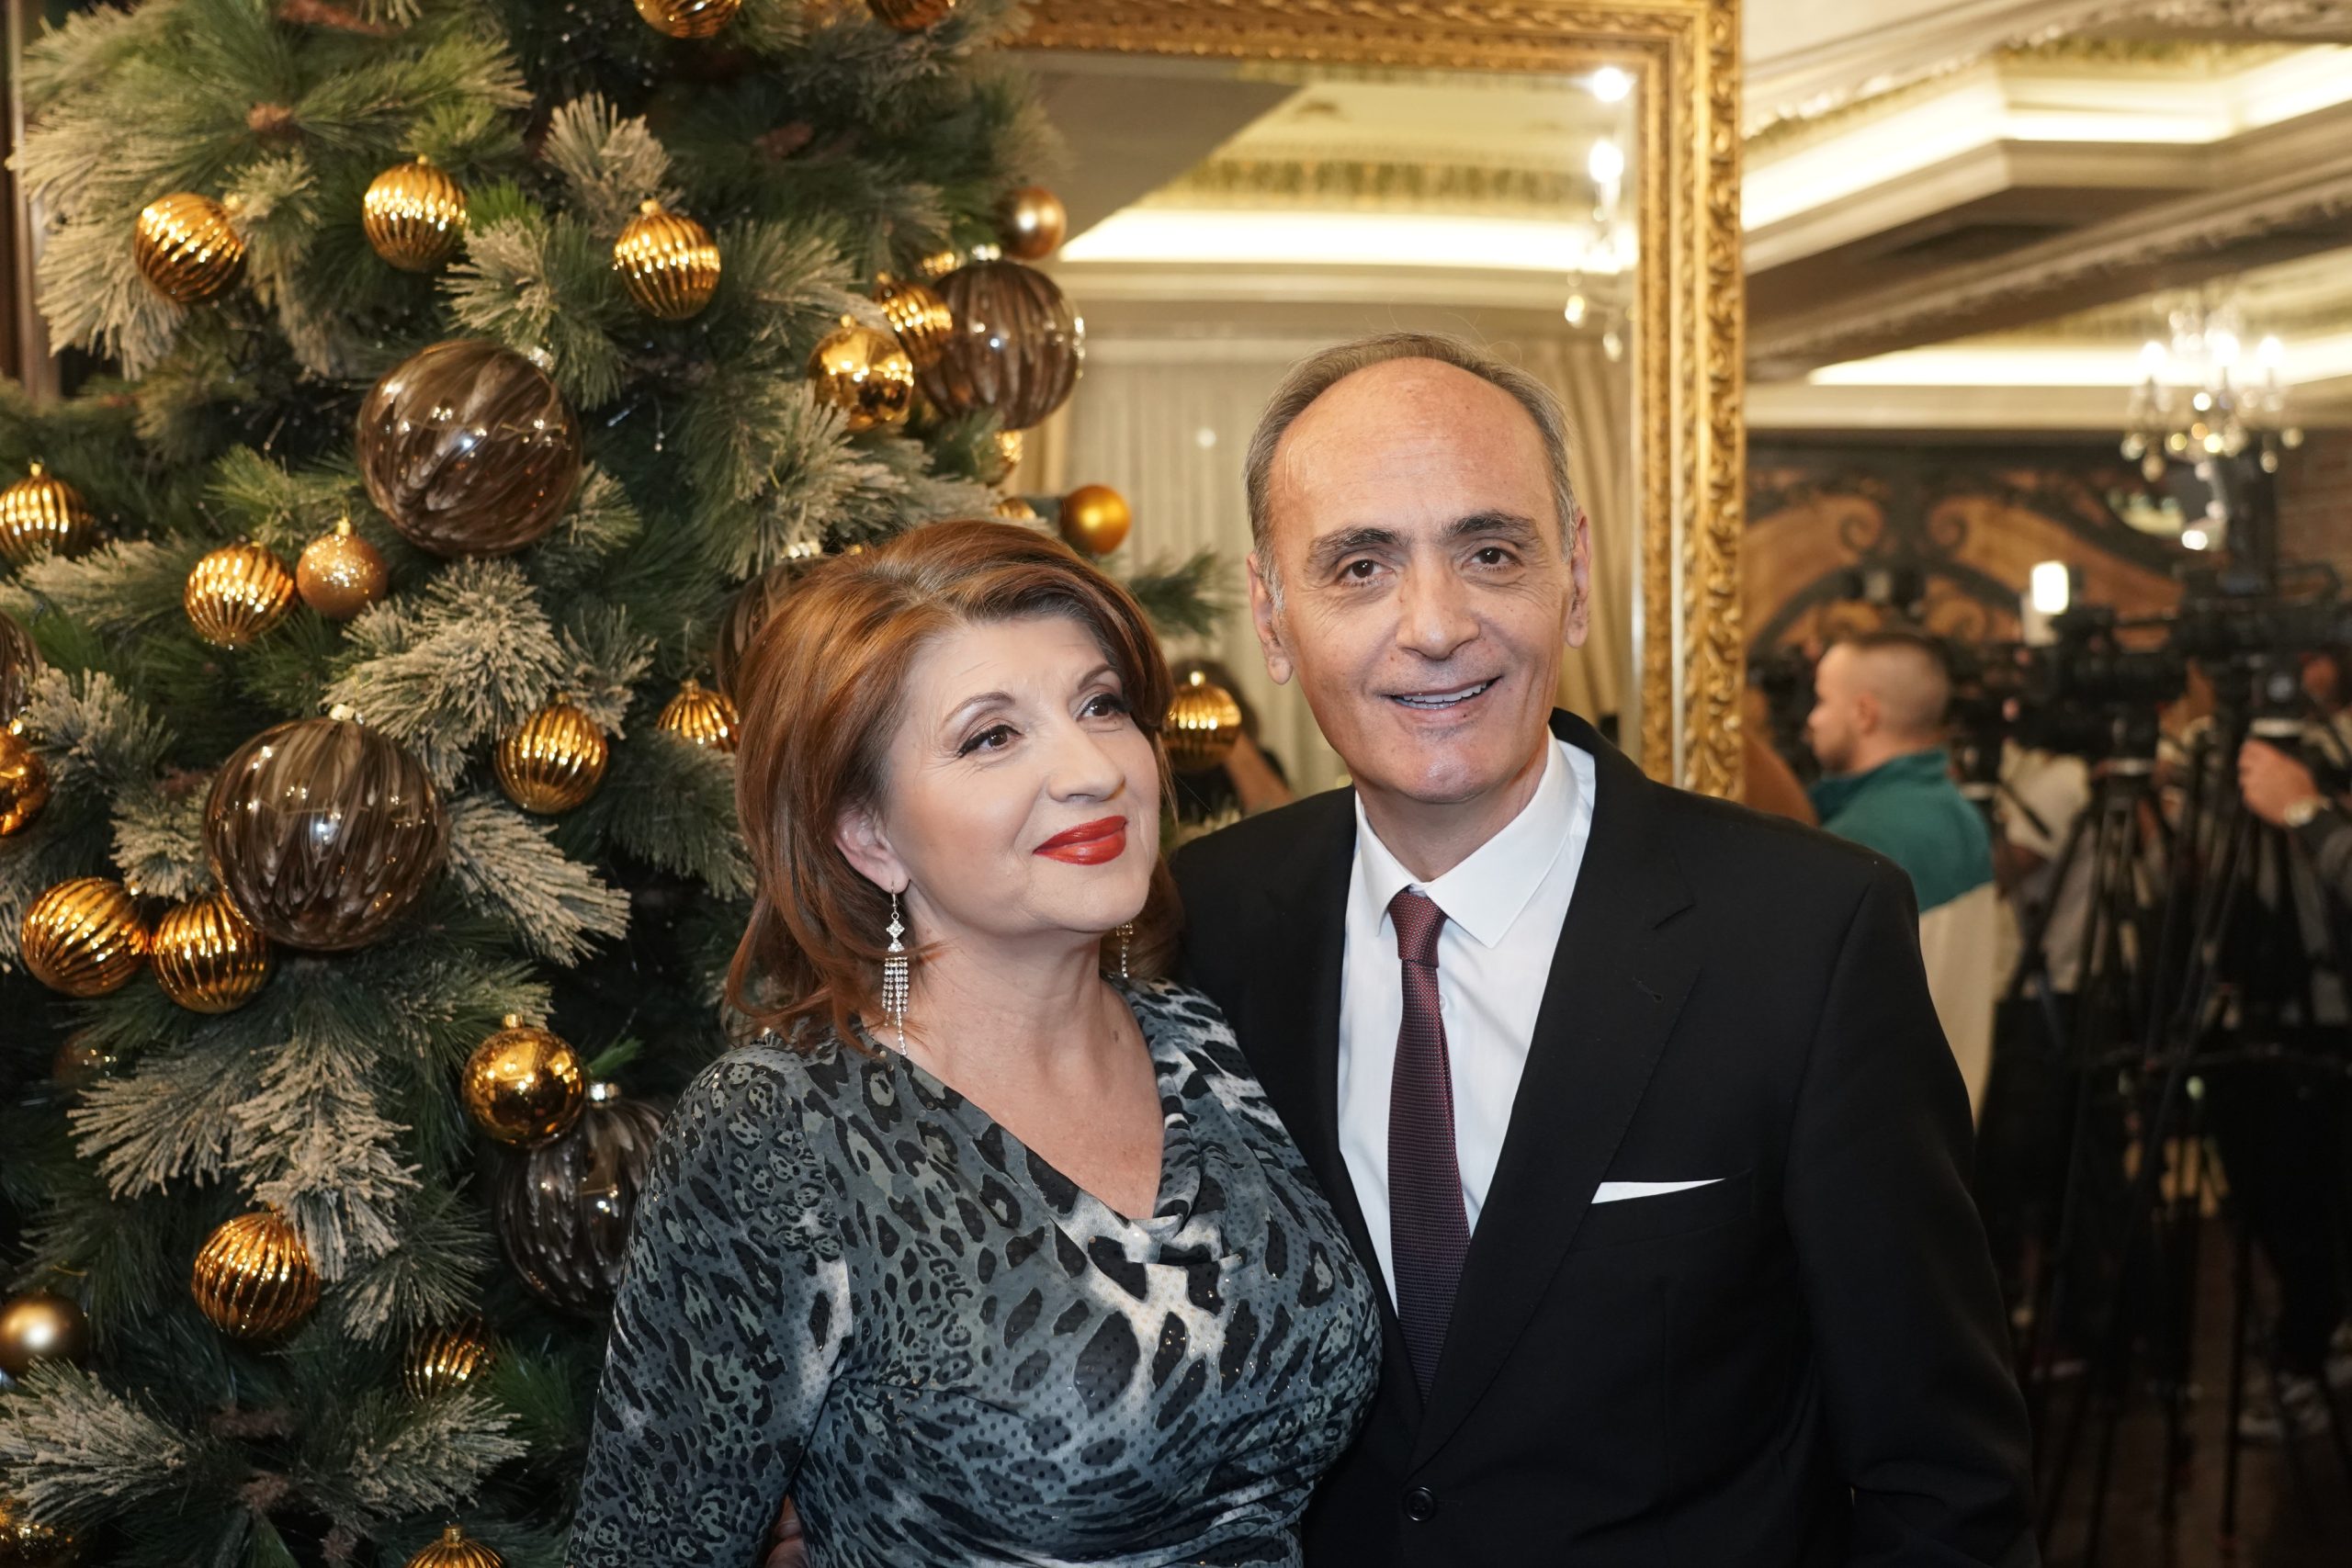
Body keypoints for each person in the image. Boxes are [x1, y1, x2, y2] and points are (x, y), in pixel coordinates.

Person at [1173, 333, 2035, 1566]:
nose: (1435, 625)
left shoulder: (1806, 934)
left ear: (1573, 577)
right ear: (1272, 616)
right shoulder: (1197, 925)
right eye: (1360, 566)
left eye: (1490, 552)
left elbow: (1938, 1473)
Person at [568, 520, 1381, 1565]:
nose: (1091, 769)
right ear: (869, 836)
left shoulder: (1203, 1040)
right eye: (991, 737)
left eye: (1100, 705)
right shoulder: (782, 1128)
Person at [1804, 630, 2001, 1113]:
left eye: (1822, 700)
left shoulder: (1858, 840)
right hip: (1947, 1119)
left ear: (1864, 714)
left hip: (1879, 1123)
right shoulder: (1959, 811)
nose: (1811, 719)